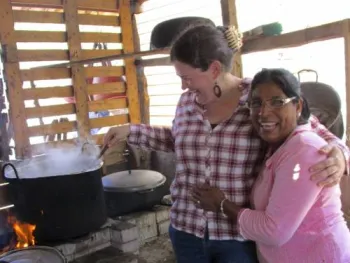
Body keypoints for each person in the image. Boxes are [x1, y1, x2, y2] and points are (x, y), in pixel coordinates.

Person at [103, 24, 349, 263]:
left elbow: (319, 134)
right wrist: (130, 132)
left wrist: (339, 154)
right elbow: (177, 140)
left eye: (187, 77)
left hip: (236, 236)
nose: (183, 85)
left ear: (214, 69)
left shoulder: (260, 98)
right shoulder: (187, 103)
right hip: (186, 227)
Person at [193, 68, 350, 263]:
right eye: (256, 103)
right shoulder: (279, 146)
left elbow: (274, 231)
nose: (264, 113)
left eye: (277, 102)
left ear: (298, 106)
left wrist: (222, 204)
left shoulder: (305, 150)